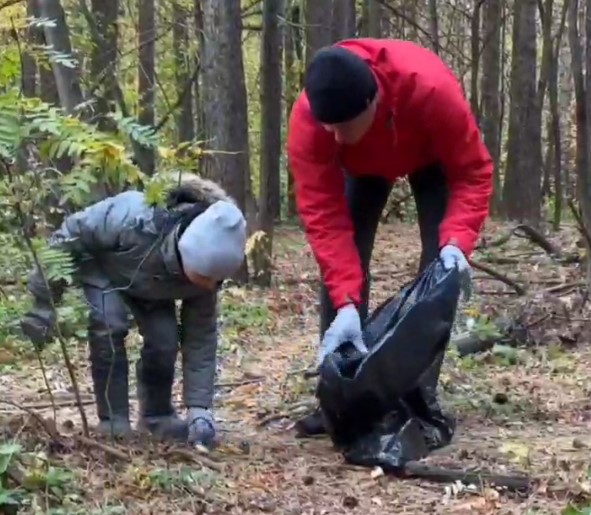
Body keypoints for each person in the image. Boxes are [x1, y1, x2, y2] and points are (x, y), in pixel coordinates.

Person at [286, 39, 494, 435]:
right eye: (325, 125)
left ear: (373, 101)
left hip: (431, 157)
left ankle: (417, 396)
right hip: (361, 168)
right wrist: (346, 303)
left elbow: (473, 172)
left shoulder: (431, 89)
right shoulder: (312, 120)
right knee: (345, 270)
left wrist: (457, 242)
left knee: (440, 266)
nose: (330, 134)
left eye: (341, 126)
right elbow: (324, 217)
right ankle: (342, 399)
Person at [20, 173, 247, 447]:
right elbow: (68, 236)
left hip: (154, 287)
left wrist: (200, 409)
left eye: (216, 280)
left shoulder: (206, 277)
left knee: (164, 341)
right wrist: (45, 303)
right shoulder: (132, 218)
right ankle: (113, 421)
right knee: (109, 325)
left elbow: (200, 337)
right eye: (204, 276)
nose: (211, 285)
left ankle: (157, 416)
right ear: (185, 253)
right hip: (105, 270)